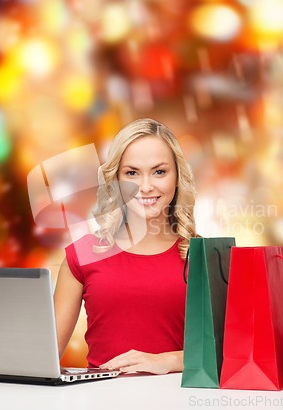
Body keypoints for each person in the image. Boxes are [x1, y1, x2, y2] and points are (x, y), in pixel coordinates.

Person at [54, 118, 197, 375]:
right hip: (101, 400)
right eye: (131, 173)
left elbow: (230, 353)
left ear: (177, 178)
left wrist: (170, 361)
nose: (145, 187)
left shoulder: (204, 256)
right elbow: (44, 355)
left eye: (159, 172)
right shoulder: (83, 255)